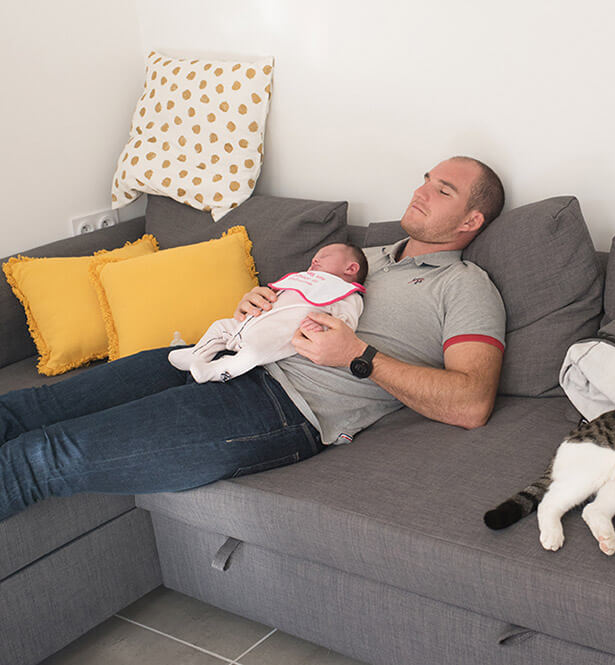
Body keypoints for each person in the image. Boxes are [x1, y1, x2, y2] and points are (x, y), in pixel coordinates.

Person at [0, 156, 506, 522]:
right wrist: (252, 305)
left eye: (443, 190)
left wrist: (359, 357)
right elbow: (283, 305)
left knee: (43, 456)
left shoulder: (464, 285)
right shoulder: (359, 256)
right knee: (25, 410)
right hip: (217, 354)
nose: (420, 191)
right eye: (425, 179)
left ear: (471, 221)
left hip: (281, 407)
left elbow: (472, 403)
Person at [168, 242, 368, 383]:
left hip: (277, 337)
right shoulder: (302, 280)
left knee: (252, 353)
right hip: (252, 322)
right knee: (220, 326)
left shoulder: (347, 294)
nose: (315, 260)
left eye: (324, 256)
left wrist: (322, 329)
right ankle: (197, 354)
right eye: (314, 258)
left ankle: (216, 371)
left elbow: (346, 327)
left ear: (351, 268)